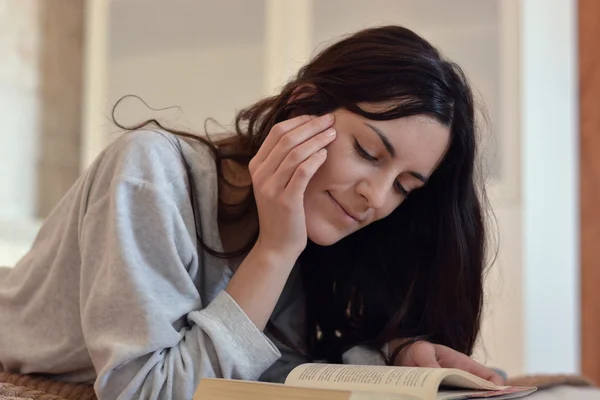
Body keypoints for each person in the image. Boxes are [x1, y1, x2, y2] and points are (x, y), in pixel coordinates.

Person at [0, 25, 503, 399]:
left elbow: (261, 367)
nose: (377, 197)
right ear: (303, 109)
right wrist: (276, 250)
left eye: (404, 187)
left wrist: (395, 359)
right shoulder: (151, 171)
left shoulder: (304, 224)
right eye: (369, 153)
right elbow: (148, 391)